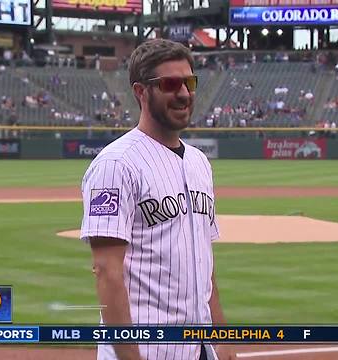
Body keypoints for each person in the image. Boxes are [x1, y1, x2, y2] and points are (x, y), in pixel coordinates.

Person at [80, 39, 234, 360]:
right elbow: (107, 271)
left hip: (201, 348)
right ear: (140, 91)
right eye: (169, 84)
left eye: (189, 82)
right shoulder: (115, 164)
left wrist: (222, 339)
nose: (183, 93)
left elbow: (205, 265)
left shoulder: (198, 162)